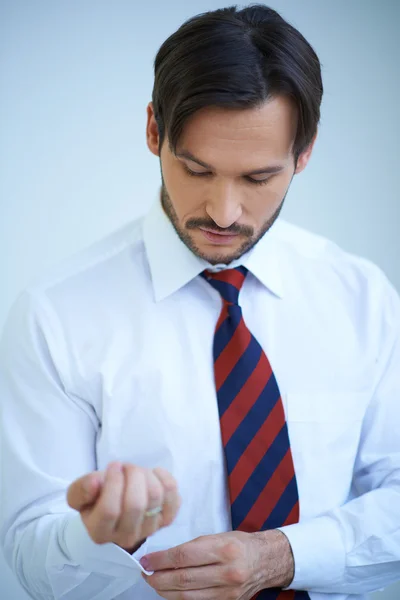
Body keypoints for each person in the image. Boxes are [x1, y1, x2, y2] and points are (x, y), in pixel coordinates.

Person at [1, 3, 399, 600]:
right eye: (196, 169)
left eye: (259, 179)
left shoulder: (362, 297)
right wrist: (97, 539)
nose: (223, 212)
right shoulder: (54, 316)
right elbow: (31, 564)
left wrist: (285, 556)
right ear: (153, 132)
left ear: (305, 152)